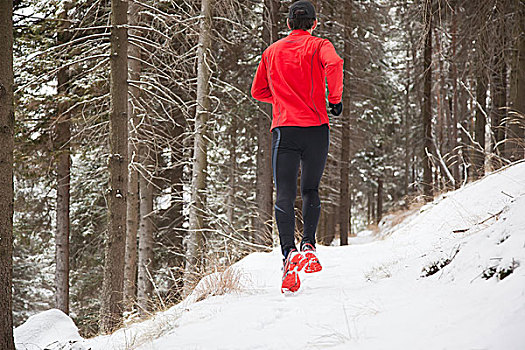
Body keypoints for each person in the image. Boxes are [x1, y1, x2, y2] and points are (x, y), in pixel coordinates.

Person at [251, 0, 344, 293]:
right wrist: (334, 99)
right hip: (316, 129)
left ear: (289, 24)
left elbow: (258, 91)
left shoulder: (271, 52)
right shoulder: (319, 46)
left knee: (285, 195)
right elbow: (335, 63)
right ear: (314, 23)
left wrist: (281, 100)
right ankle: (309, 246)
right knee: (311, 190)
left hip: (285, 131)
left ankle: (289, 253)